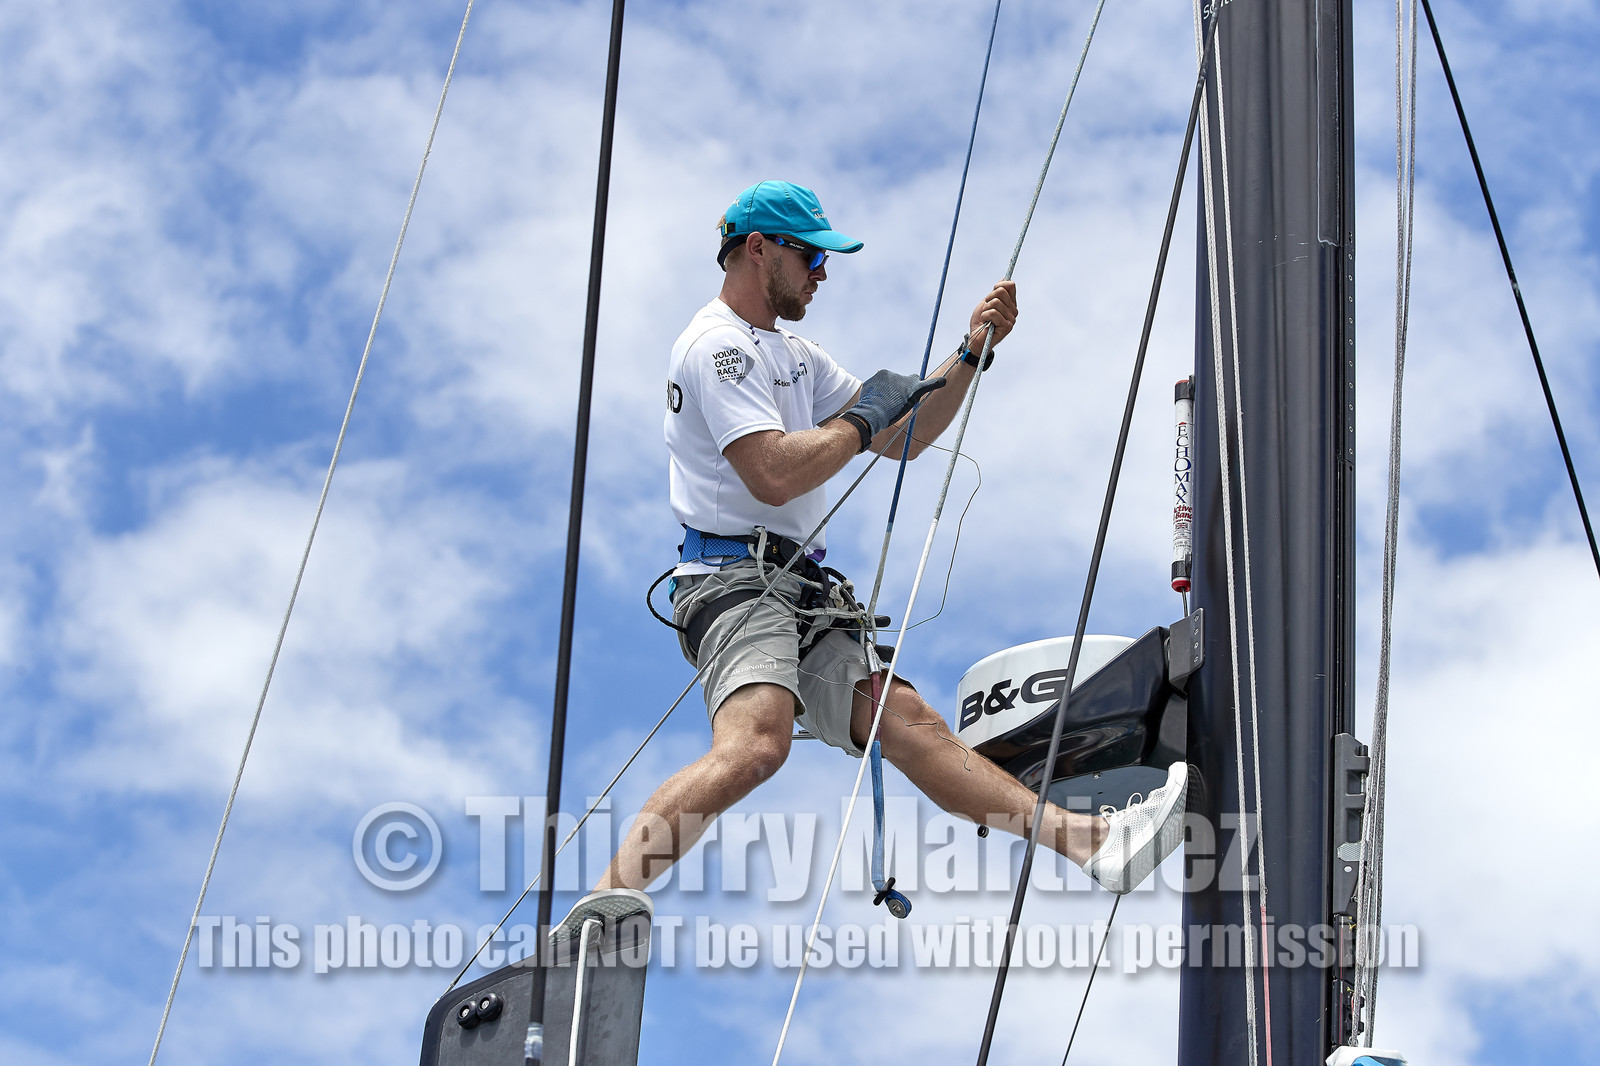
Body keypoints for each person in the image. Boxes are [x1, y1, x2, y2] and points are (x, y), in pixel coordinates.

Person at [551, 181, 1185, 941]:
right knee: (758, 742)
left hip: (798, 589)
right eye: (811, 255)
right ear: (759, 250)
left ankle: (1093, 844)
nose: (822, 272)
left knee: (909, 721)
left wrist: (968, 354)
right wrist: (860, 419)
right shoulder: (715, 348)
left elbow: (905, 436)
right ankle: (600, 911)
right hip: (731, 583)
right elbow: (774, 471)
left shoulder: (793, 354)